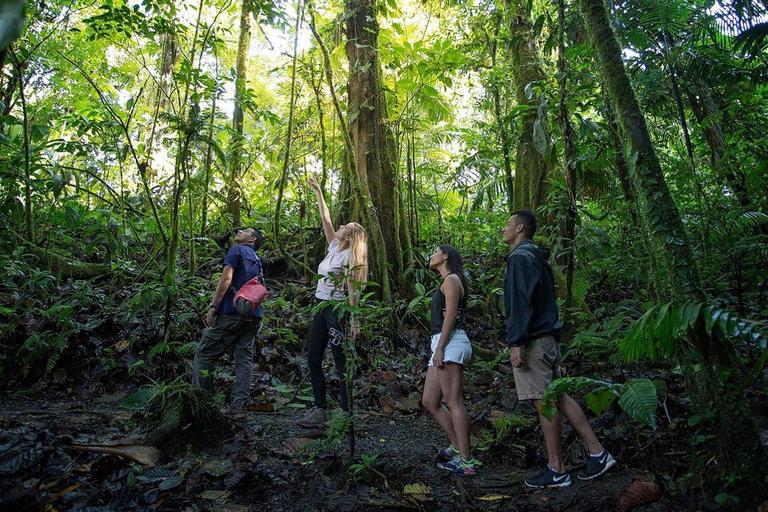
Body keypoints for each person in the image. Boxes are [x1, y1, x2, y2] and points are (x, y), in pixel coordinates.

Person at [503, 210, 616, 488]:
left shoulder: (519, 257)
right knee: (559, 395)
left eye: (507, 225)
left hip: (533, 342)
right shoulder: (537, 256)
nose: (503, 230)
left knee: (545, 400)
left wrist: (516, 342)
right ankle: (598, 452)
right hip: (548, 338)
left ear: (519, 228)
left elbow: (521, 302)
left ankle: (557, 469)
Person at [297, 177, 368, 428]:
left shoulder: (349, 256)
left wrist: (355, 322)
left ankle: (345, 413)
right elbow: (325, 219)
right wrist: (318, 191)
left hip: (337, 311)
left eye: (345, 227)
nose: (339, 226)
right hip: (320, 306)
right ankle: (320, 409)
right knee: (313, 358)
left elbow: (353, 290)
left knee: (340, 362)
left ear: (349, 238)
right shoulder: (333, 247)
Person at [193, 227, 264, 417]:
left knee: (205, 352)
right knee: (244, 360)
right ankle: (239, 406)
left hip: (233, 312)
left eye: (246, 231)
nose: (240, 230)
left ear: (252, 240)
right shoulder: (257, 259)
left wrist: (213, 306)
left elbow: (226, 278)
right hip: (252, 314)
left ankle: (202, 404)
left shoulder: (236, 250)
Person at [421, 245, 479, 475]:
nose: (431, 255)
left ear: (445, 256)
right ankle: (457, 446)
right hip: (442, 343)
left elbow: (452, 315)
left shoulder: (452, 279)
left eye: (435, 251)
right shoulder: (447, 281)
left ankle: (466, 460)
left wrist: (441, 348)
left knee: (454, 401)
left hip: (450, 343)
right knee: (430, 400)